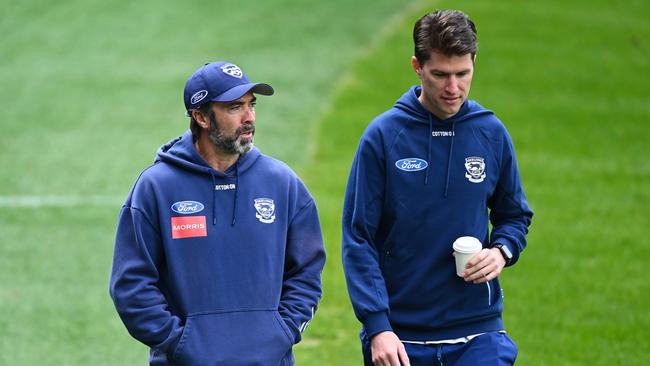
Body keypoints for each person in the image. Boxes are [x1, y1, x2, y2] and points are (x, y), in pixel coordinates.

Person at [342, 10, 533, 366]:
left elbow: (515, 215)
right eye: (440, 75)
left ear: (474, 62)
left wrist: (502, 251)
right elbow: (358, 237)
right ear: (417, 66)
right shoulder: (383, 137)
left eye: (463, 74)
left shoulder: (490, 133)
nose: (453, 88)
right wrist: (378, 326)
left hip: (479, 331)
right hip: (401, 337)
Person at [109, 61, 326, 365]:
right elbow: (131, 285)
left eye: (252, 104)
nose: (249, 117)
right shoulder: (156, 188)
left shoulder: (282, 184)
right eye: (235, 107)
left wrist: (283, 331)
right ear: (201, 117)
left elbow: (307, 271)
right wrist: (179, 342)